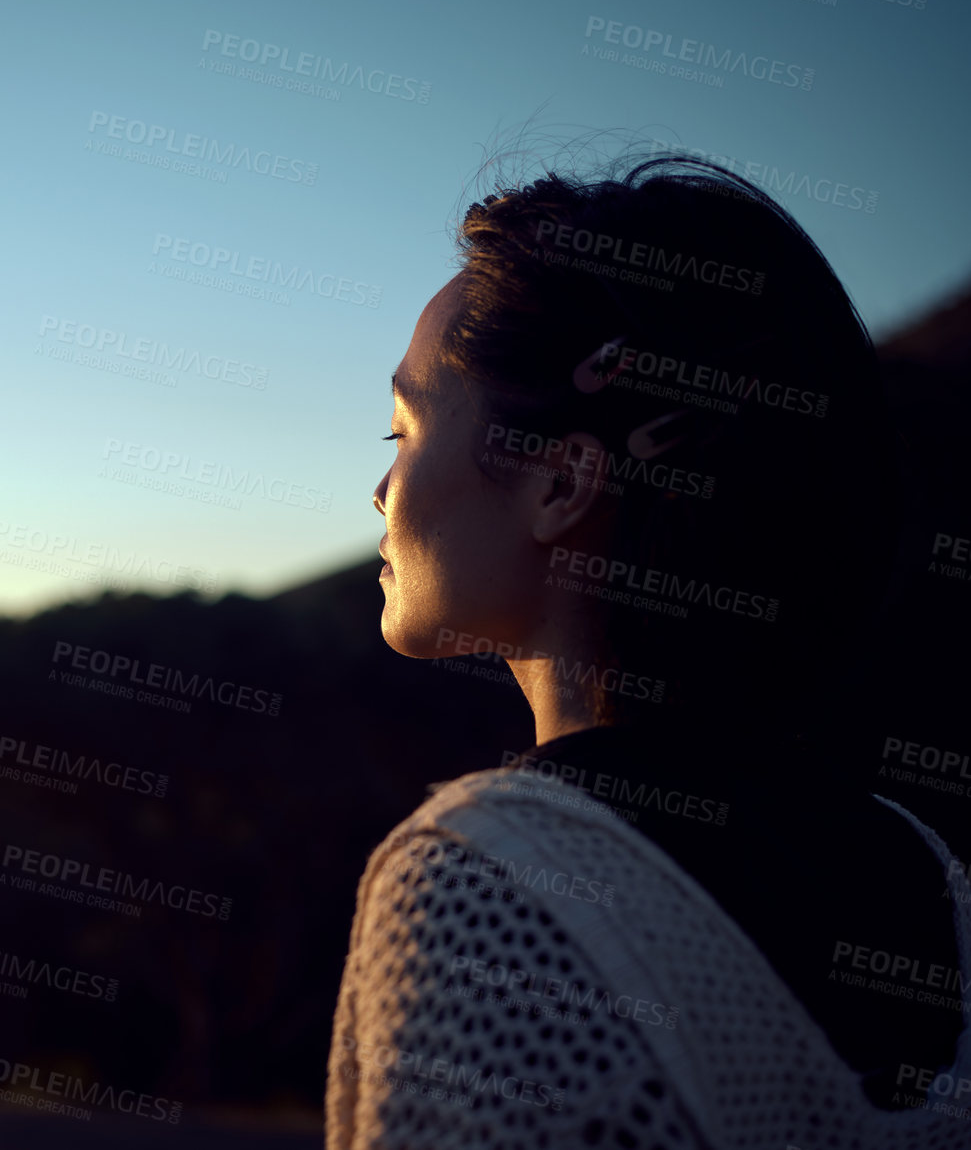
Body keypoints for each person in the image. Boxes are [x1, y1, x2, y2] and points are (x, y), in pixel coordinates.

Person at [328, 154, 971, 1148]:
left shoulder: (489, 876)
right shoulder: (927, 871)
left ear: (560, 485)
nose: (381, 491)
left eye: (402, 428)